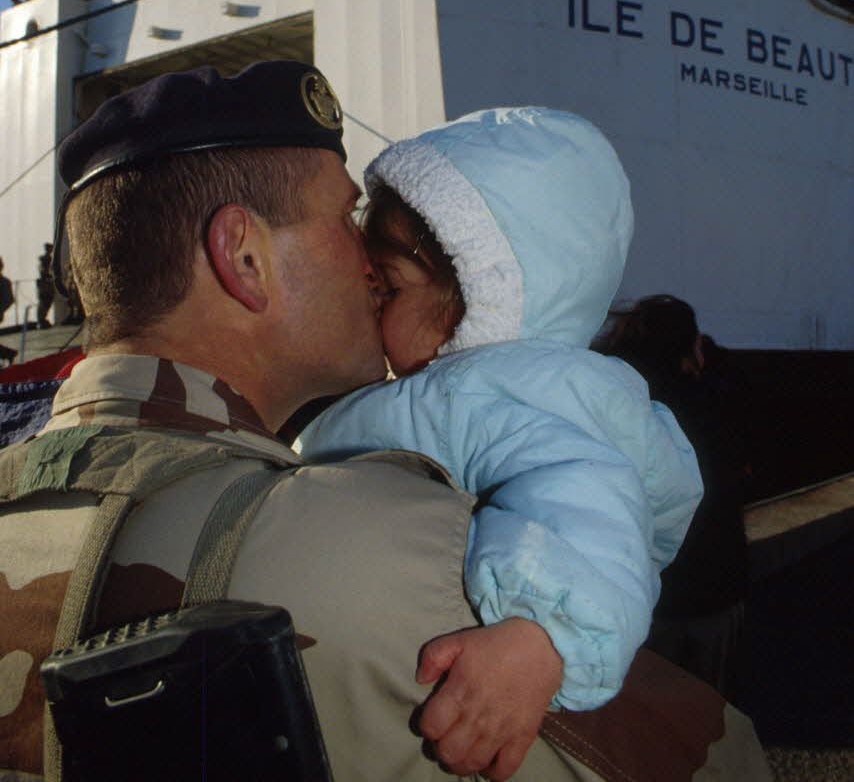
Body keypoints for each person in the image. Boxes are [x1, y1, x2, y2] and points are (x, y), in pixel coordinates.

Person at [0, 67, 771, 782]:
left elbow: (581, 489)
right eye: (346, 220)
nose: (369, 261)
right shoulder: (391, 550)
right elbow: (722, 759)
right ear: (243, 258)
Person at [297, 107, 703, 717]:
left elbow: (584, 491)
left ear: (479, 298)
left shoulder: (483, 395)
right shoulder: (492, 387)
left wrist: (542, 636)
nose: (373, 301)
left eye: (390, 286)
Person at [594, 295, 750, 701]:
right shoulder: (716, 401)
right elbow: (746, 465)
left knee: (641, 715)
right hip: (713, 587)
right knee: (706, 708)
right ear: (692, 344)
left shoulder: (619, 400)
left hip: (643, 590)